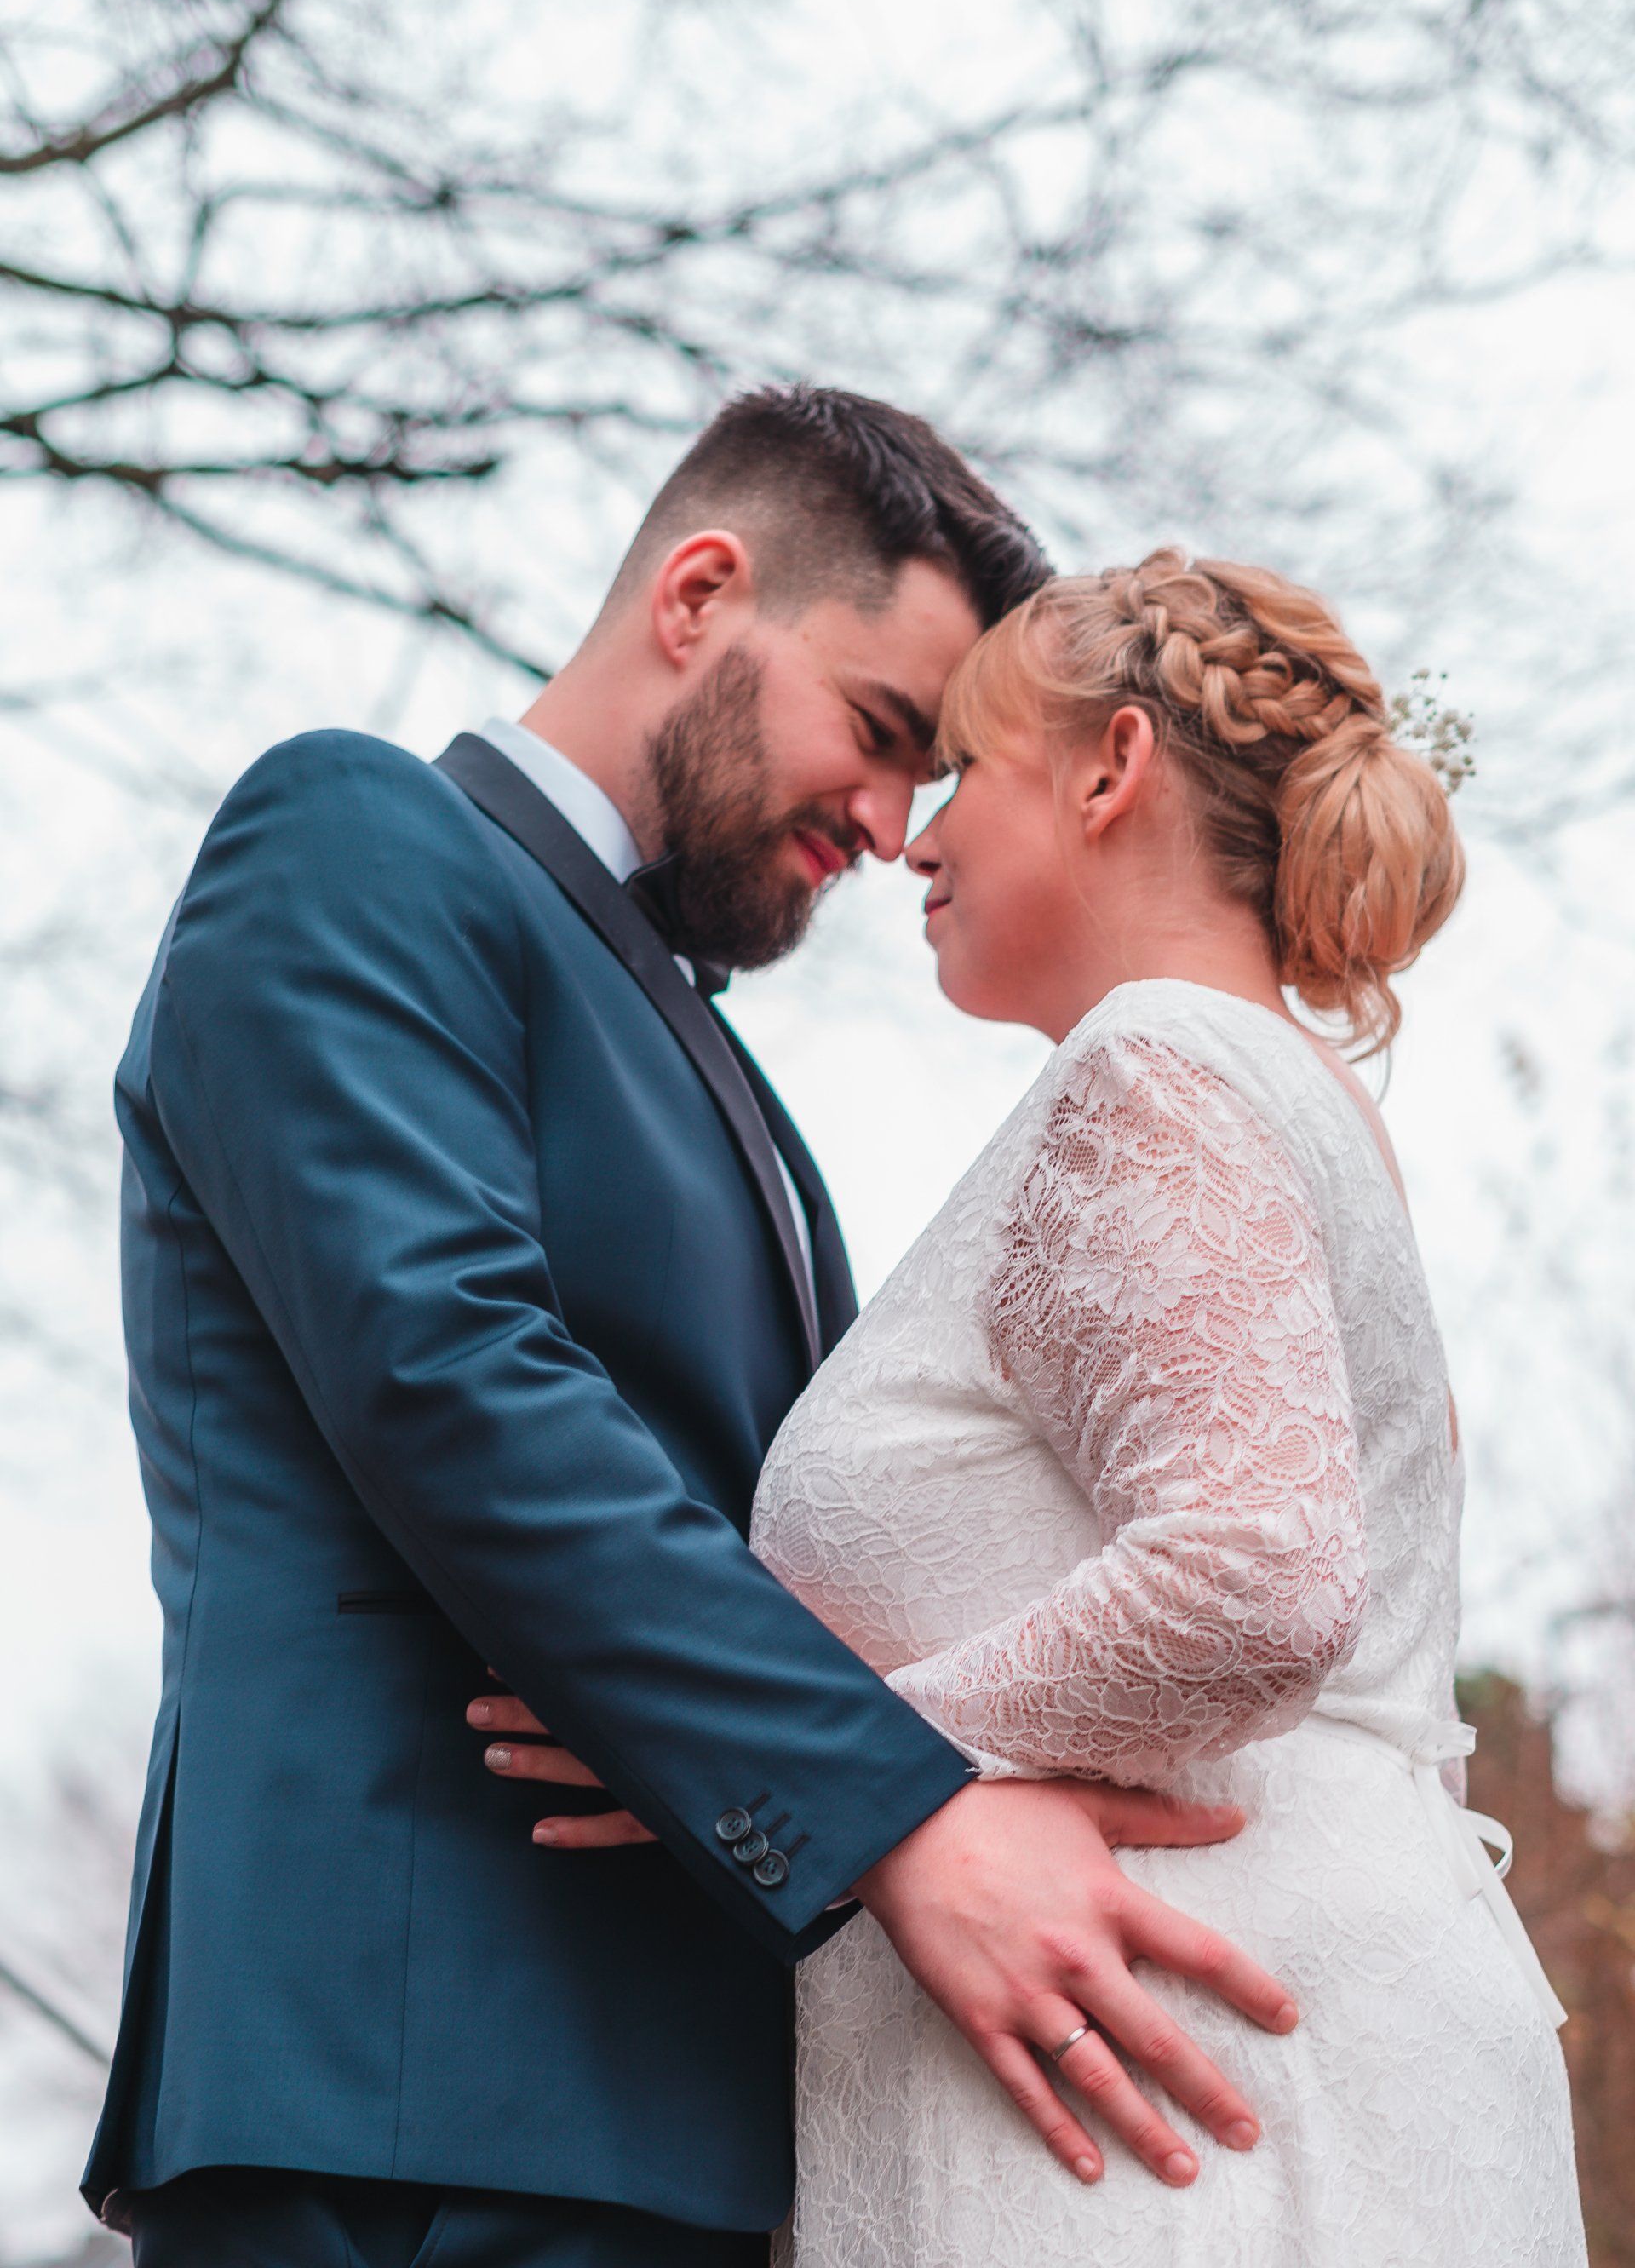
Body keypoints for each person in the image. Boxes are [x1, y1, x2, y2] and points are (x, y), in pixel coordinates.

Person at [88, 396, 1297, 2268]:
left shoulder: (717, 1069)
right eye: (881, 731)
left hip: (687, 2115)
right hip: (408, 2089)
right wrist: (903, 1818)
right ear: (701, 593)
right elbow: (458, 1379)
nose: (892, 827)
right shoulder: (355, 836)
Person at [514, 549, 1587, 2262]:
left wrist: (786, 1762)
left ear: (1112, 770)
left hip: (1173, 2081)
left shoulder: (1157, 1065)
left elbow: (1254, 1574)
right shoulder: (1282, 1092)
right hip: (1215, 2043)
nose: (913, 838)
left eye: (961, 771)